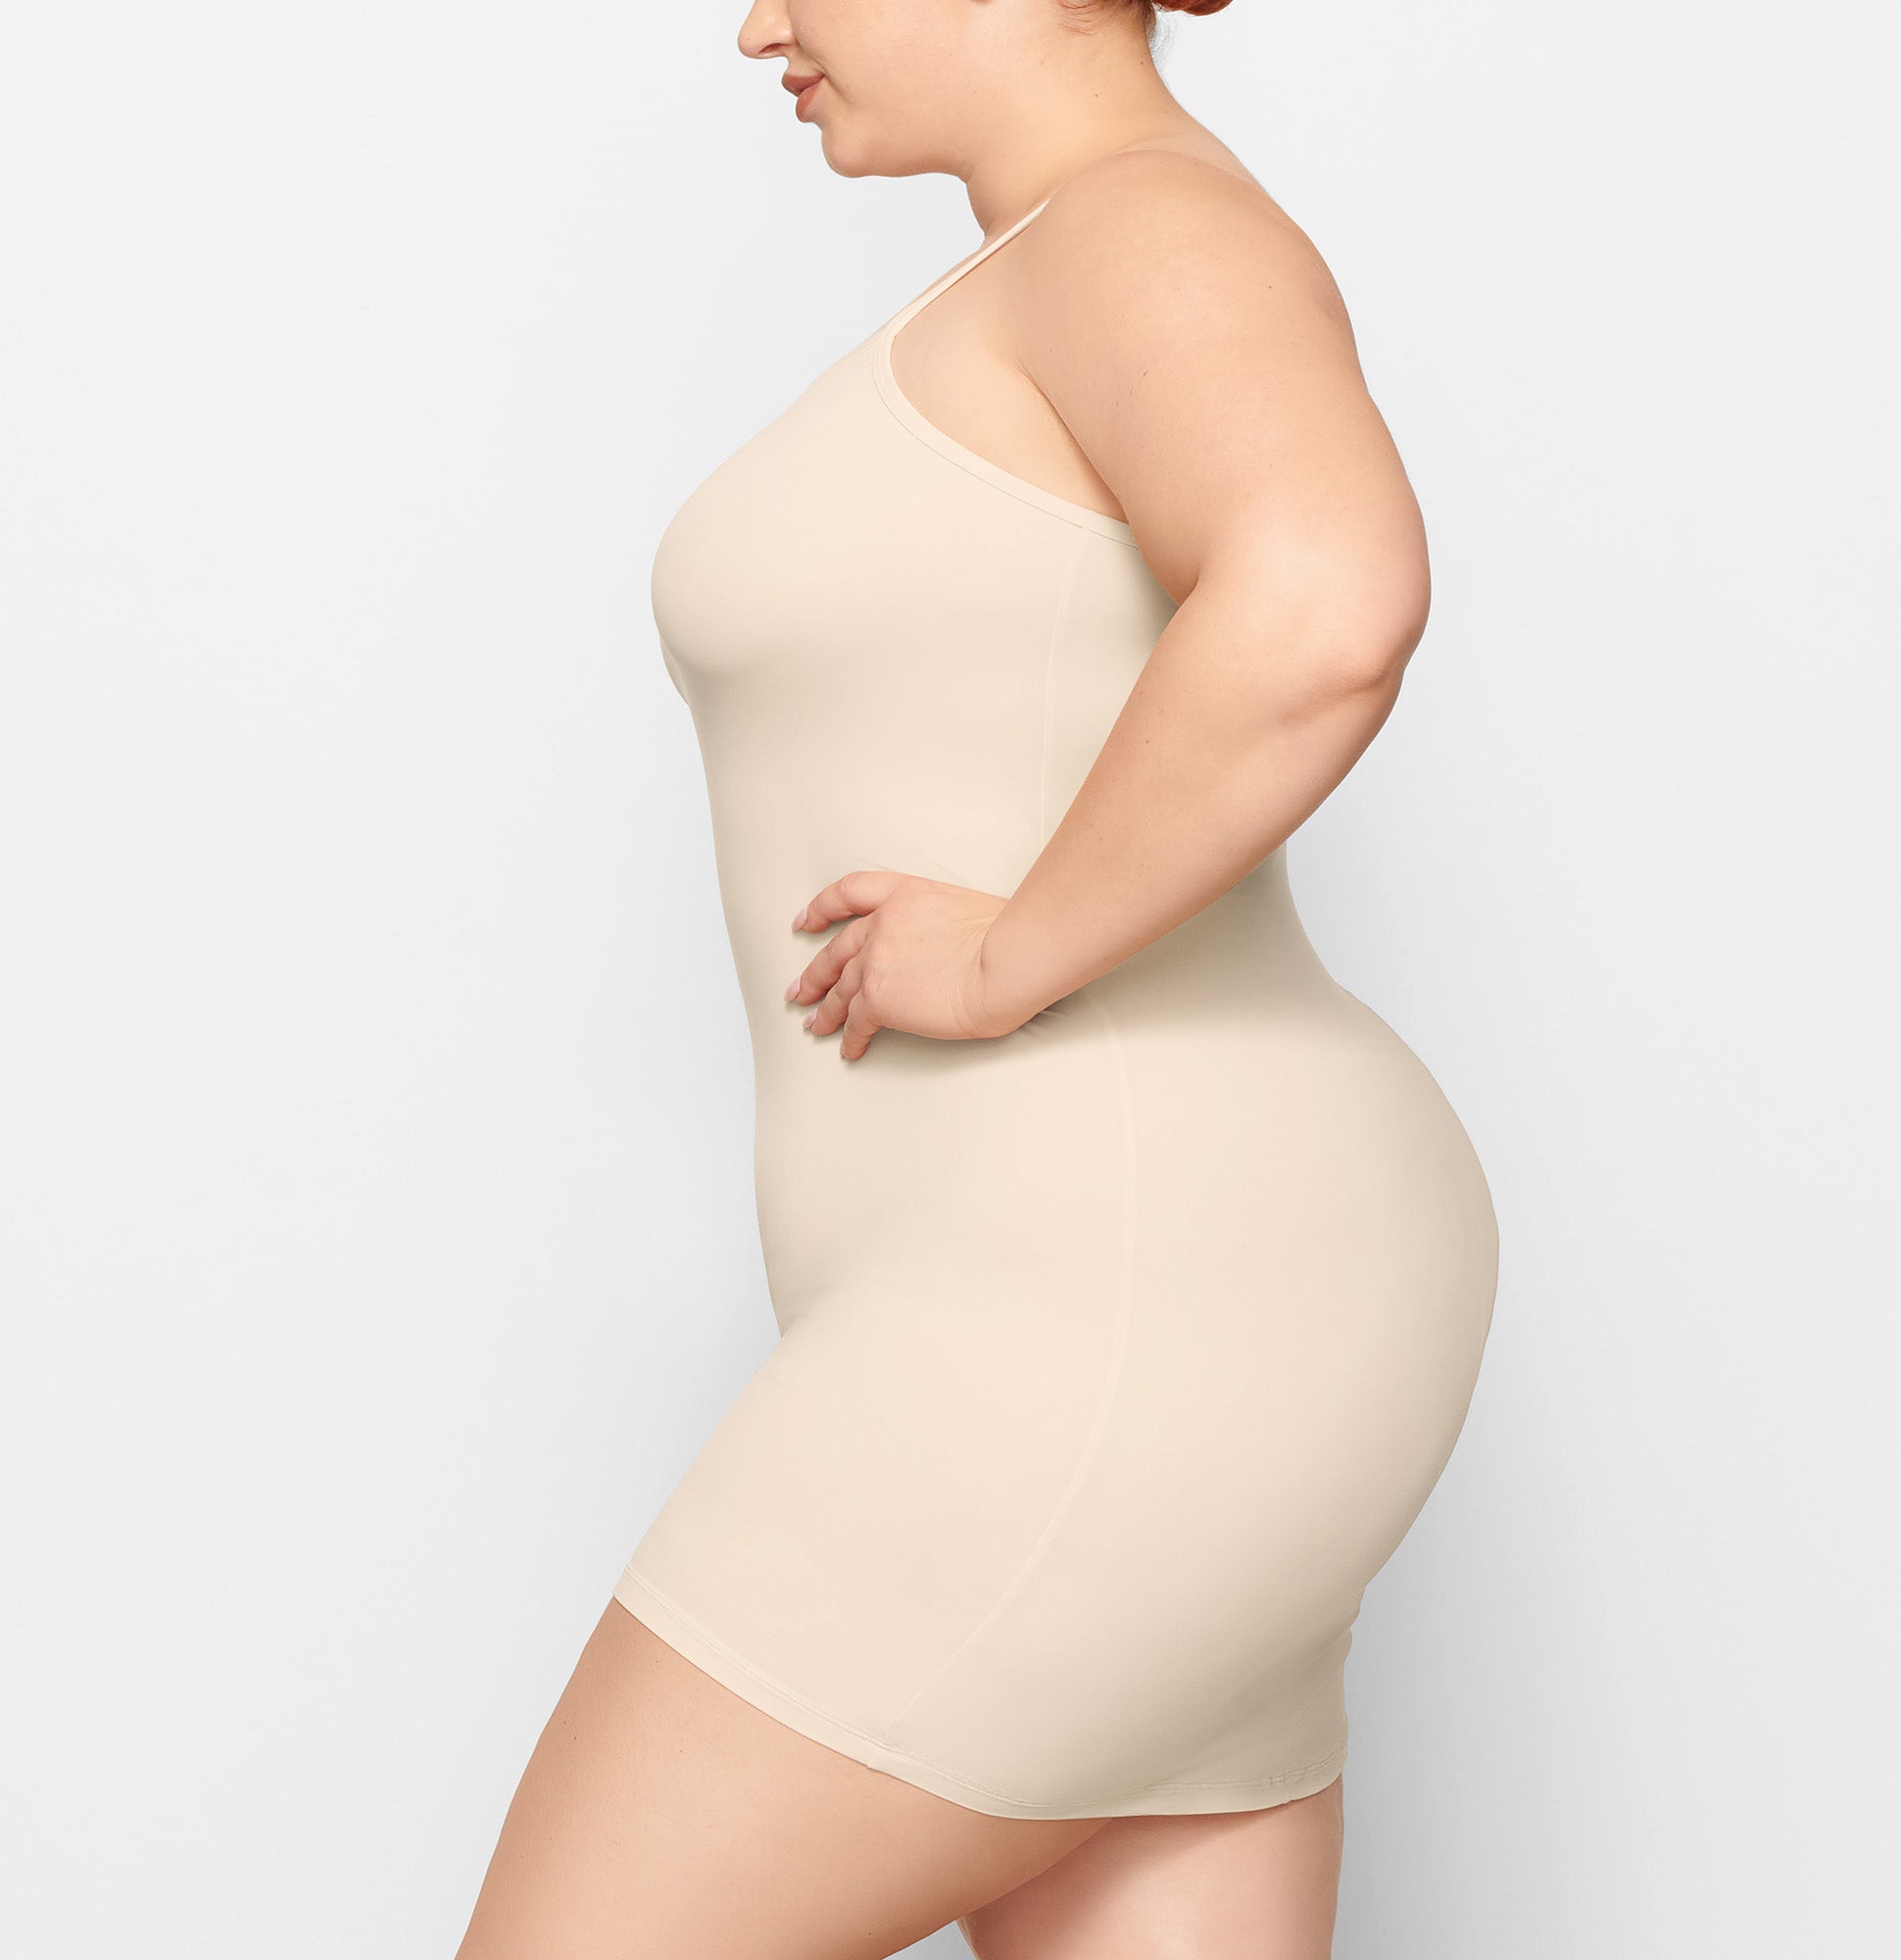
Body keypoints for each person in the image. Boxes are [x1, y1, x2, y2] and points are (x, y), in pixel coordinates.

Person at [456, 2, 1498, 1954]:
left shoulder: (1141, 232)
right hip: (1162, 1289)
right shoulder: (1066, 258)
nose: (758, 23)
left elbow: (1327, 595)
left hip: (1099, 1298)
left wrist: (1012, 951)